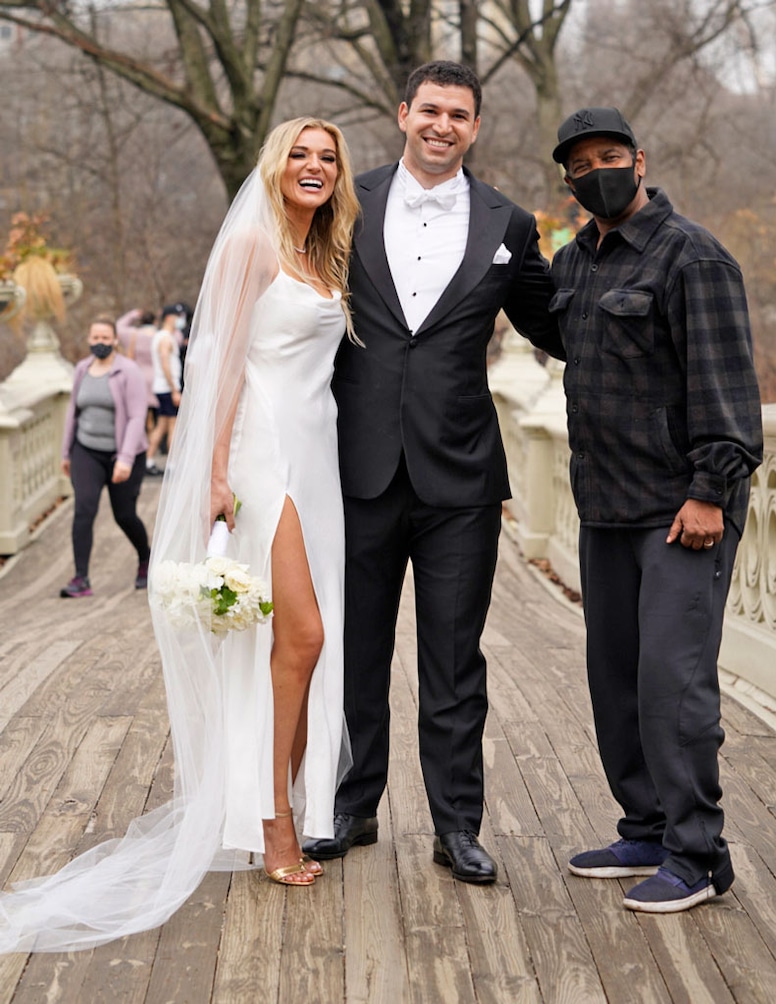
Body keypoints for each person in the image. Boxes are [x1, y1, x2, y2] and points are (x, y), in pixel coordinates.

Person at [0, 116, 359, 950]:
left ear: (340, 175)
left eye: (327, 158)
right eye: (300, 155)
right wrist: (220, 472)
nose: (313, 166)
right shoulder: (253, 250)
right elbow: (221, 362)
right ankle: (270, 822)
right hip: (269, 456)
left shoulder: (323, 255)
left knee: (304, 644)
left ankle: (287, 810)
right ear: (275, 169)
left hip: (322, 456)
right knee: (299, 637)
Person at [303, 61, 564, 884]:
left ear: (475, 127)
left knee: (455, 659)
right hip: (357, 466)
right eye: (430, 111)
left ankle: (457, 825)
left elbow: (552, 321)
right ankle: (352, 806)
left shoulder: (510, 223)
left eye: (459, 114)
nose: (442, 125)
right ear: (403, 114)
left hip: (462, 479)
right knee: (356, 652)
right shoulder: (348, 202)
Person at [549, 107, 763, 913]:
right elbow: (566, 342)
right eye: (580, 164)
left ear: (640, 161)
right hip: (604, 503)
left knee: (675, 687)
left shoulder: (693, 255)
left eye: (610, 156)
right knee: (618, 681)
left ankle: (699, 855)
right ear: (567, 182)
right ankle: (643, 826)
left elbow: (728, 391)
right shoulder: (575, 262)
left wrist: (710, 489)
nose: (597, 170)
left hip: (681, 509)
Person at [59, 316, 151, 598]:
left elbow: (137, 416)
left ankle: (146, 559)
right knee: (84, 510)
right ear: (89, 339)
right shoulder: (82, 369)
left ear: (114, 340)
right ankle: (81, 578)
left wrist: (124, 458)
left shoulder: (128, 371)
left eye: (105, 338)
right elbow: (73, 411)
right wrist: (66, 452)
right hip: (86, 450)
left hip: (125, 454)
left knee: (124, 514)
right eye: (95, 338)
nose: (100, 343)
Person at [145, 303, 185, 476]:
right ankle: (172, 464)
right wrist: (174, 389)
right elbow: (165, 361)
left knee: (161, 425)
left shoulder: (161, 336)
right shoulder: (166, 338)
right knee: (173, 426)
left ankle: (148, 459)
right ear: (170, 318)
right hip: (168, 388)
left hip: (163, 387)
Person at [116, 307, 160, 433]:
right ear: (155, 321)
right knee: (160, 416)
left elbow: (118, 326)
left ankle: (142, 438)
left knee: (139, 412)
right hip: (158, 378)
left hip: (138, 376)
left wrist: (133, 314)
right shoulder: (161, 335)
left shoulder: (133, 334)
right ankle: (156, 444)